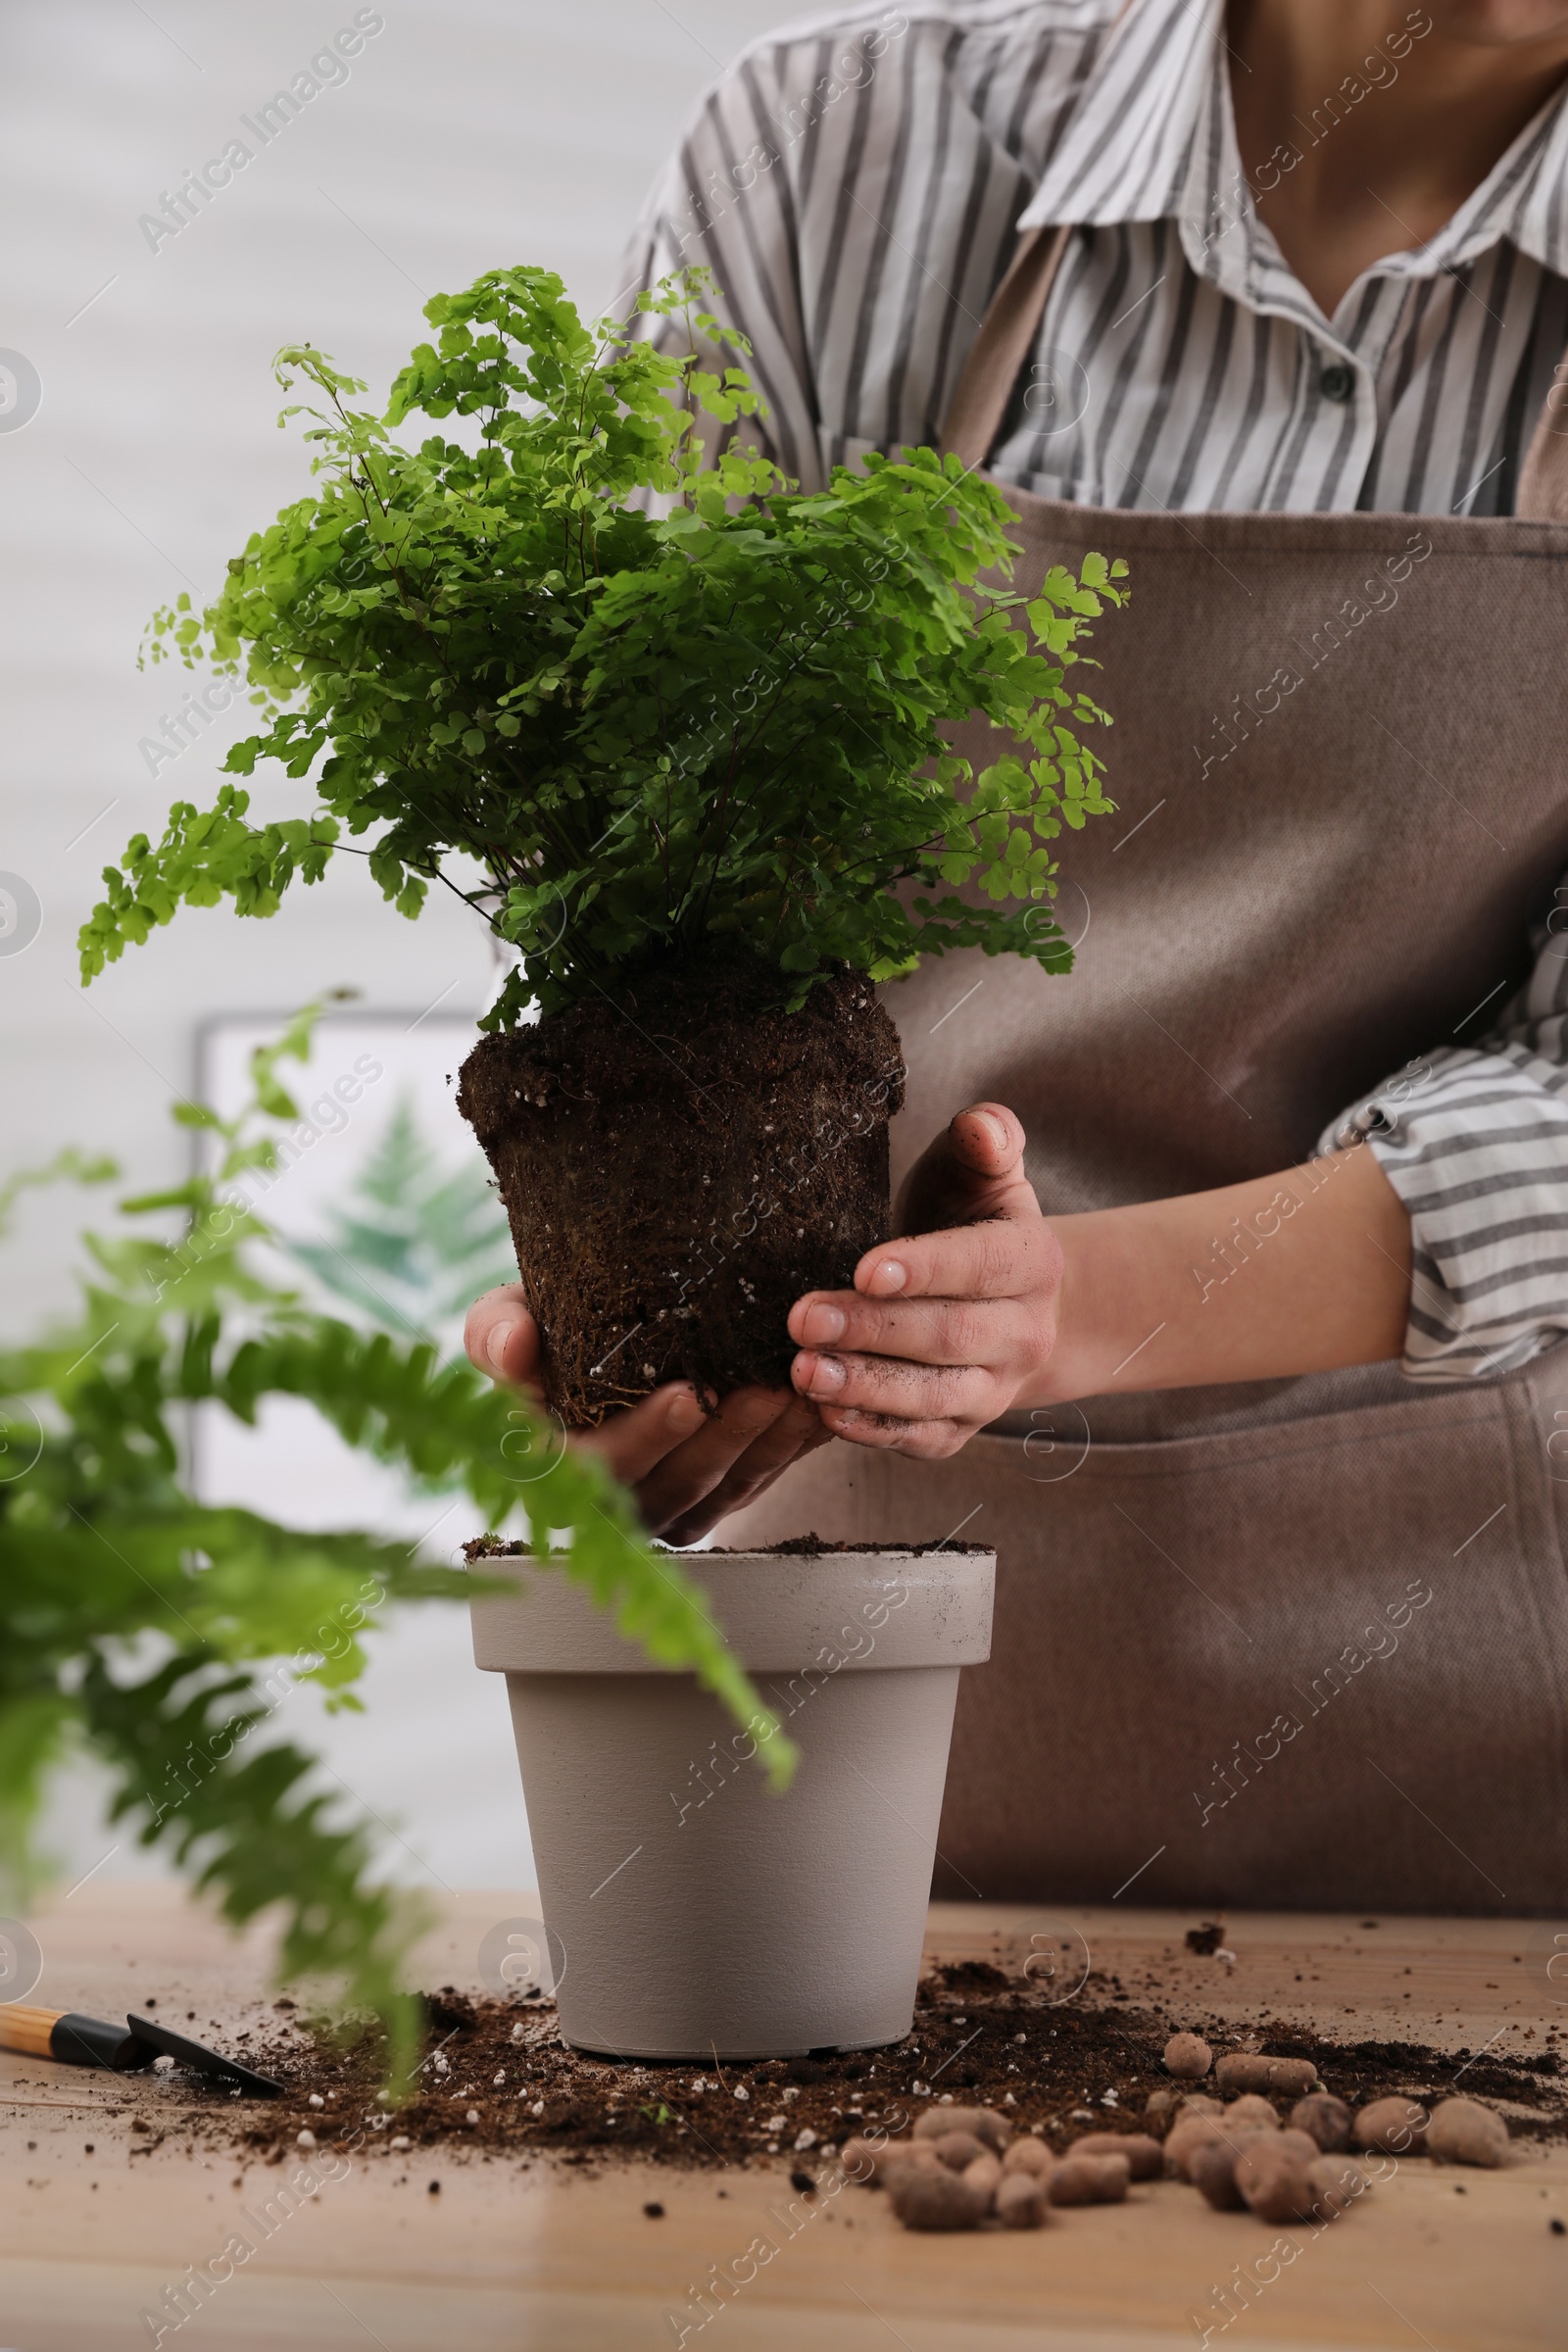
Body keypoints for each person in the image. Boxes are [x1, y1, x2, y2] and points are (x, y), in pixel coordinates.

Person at [468, 0, 1568, 1912]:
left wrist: (1049, 1312)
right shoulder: (846, 146)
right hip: (839, 1671)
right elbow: (632, 836)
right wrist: (638, 1292)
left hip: (1489, 1787)